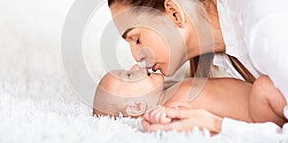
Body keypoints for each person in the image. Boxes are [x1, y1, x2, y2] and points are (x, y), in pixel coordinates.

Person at [107, 0, 288, 137]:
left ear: (175, 14)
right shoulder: (225, 60)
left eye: (137, 39)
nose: (136, 56)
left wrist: (216, 125)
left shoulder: (263, 20)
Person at [93, 65, 287, 130]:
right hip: (258, 111)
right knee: (265, 86)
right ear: (136, 107)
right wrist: (161, 117)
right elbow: (184, 122)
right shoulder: (168, 106)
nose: (135, 67)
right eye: (129, 75)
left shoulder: (169, 90)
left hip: (259, 102)